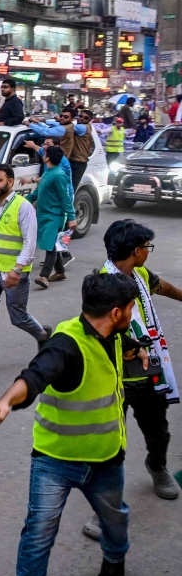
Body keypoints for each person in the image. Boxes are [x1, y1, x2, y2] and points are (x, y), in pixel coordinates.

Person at [0, 272, 148, 576]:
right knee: (38, 535)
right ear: (117, 313)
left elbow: (125, 346)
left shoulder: (114, 335)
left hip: (107, 459)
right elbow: (35, 375)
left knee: (114, 521)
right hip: (55, 462)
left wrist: (139, 351)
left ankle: (114, 560)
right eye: (131, 308)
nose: (132, 313)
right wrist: (7, 400)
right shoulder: (65, 344)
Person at [79, 220, 181, 517]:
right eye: (147, 247)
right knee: (112, 441)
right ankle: (106, 508)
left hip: (148, 374)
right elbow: (95, 328)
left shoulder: (140, 275)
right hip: (116, 379)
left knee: (158, 430)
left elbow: (162, 286)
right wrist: (128, 347)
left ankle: (157, 465)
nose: (148, 252)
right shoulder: (100, 285)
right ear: (136, 251)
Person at [0, 163, 51, 377]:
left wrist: (17, 270)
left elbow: (30, 243)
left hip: (14, 273)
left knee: (18, 317)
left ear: (10, 182)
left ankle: (43, 335)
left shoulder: (23, 207)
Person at [27, 147, 76, 289]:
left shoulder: (59, 175)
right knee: (53, 244)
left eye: (45, 153)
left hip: (55, 216)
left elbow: (65, 198)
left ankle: (44, 276)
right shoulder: (48, 173)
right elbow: (37, 192)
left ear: (47, 158)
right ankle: (60, 271)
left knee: (50, 245)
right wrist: (23, 201)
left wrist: (71, 217)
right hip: (43, 215)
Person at [28, 108, 92, 190]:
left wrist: (33, 124)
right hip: (72, 160)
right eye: (80, 116)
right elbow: (56, 127)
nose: (81, 119)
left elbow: (53, 130)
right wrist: (40, 122)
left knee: (68, 190)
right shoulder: (70, 126)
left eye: (85, 118)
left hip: (78, 162)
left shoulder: (81, 128)